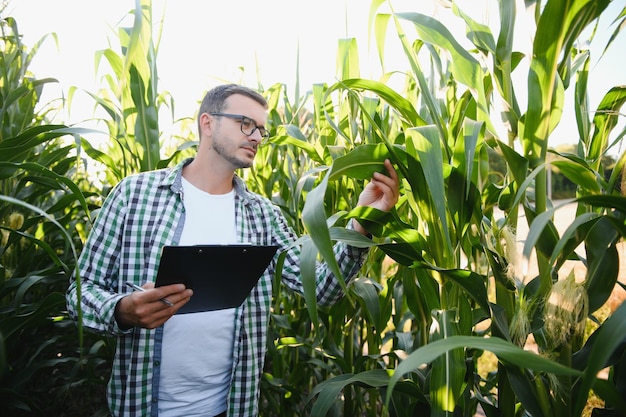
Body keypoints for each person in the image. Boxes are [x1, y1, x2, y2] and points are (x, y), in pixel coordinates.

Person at [66, 83, 399, 417]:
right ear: (207, 123)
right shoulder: (134, 196)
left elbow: (322, 289)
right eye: (245, 123)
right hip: (141, 406)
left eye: (261, 130)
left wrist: (362, 222)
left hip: (228, 408)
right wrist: (123, 310)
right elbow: (80, 294)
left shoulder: (263, 215)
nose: (255, 136)